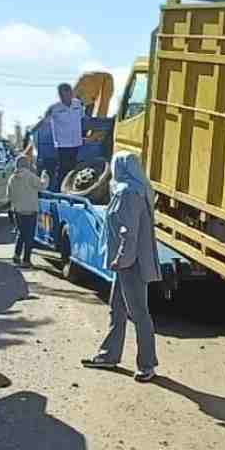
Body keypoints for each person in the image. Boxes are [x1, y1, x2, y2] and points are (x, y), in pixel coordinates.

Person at [81, 151, 160, 382]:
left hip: (130, 264)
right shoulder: (131, 189)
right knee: (117, 311)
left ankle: (147, 364)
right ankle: (109, 355)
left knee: (139, 314)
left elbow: (129, 233)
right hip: (126, 263)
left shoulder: (128, 193)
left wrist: (120, 260)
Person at [37, 83, 84, 192]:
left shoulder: (78, 104)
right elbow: (44, 121)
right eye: (62, 95)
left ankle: (72, 191)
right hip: (62, 144)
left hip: (76, 142)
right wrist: (31, 132)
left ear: (71, 94)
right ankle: (60, 191)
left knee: (74, 169)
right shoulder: (54, 108)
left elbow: (83, 118)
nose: (65, 98)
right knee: (63, 170)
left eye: (67, 94)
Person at [7, 154, 48, 267]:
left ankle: (16, 255)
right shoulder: (30, 176)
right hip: (30, 211)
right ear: (27, 164)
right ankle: (26, 260)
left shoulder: (12, 178)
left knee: (21, 234)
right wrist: (45, 176)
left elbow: (9, 195)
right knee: (29, 236)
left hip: (18, 211)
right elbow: (42, 186)